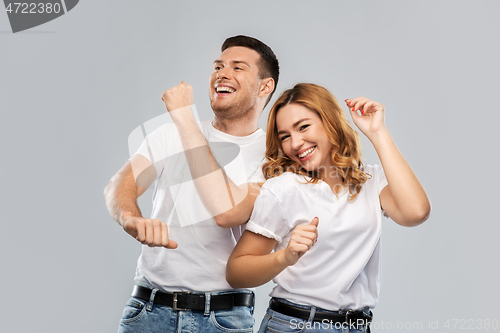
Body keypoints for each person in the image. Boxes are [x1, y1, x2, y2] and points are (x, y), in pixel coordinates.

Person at [104, 35, 279, 333]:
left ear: (265, 86)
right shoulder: (169, 134)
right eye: (218, 66)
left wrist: (185, 118)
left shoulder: (274, 157)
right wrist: (130, 217)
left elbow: (226, 213)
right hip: (147, 312)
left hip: (223, 320)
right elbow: (120, 185)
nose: (222, 74)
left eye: (238, 68)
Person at [226, 83, 431, 332]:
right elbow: (236, 272)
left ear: (330, 122)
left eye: (303, 127)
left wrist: (378, 132)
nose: (296, 143)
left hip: (356, 325)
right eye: (285, 136)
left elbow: (416, 212)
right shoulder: (283, 188)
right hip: (296, 325)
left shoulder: (370, 181)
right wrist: (284, 256)